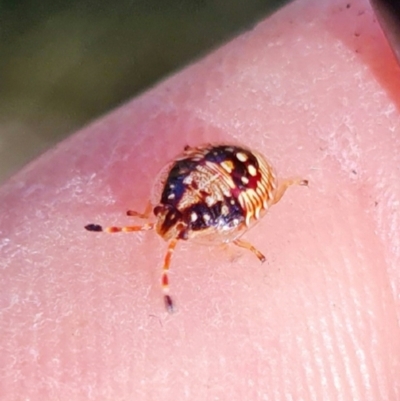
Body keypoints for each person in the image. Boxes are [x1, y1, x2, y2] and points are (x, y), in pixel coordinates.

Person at [1, 0, 399, 399]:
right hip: (228, 170)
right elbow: (226, 222)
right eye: (159, 217)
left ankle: (285, 185)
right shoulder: (178, 198)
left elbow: (233, 229)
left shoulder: (191, 208)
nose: (164, 227)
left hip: (242, 173)